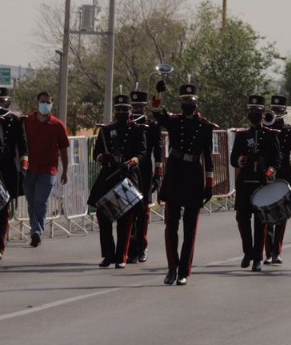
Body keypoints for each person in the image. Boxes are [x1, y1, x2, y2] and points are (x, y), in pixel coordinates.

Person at [153, 83, 216, 286]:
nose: (187, 103)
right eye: (184, 100)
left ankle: (183, 271)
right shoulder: (174, 121)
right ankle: (172, 268)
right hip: (175, 174)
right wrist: (159, 92)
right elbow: (156, 112)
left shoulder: (205, 127)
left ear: (196, 102)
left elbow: (208, 156)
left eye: (191, 100)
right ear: (180, 102)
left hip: (193, 176)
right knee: (171, 226)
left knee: (190, 229)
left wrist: (209, 183)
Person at [90, 94, 145, 268]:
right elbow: (95, 153)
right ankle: (108, 255)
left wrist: (132, 162)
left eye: (125, 109)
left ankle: (121, 255)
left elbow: (142, 153)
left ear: (130, 111)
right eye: (118, 109)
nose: (121, 112)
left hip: (127, 175)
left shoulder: (137, 130)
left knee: (125, 218)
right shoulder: (106, 131)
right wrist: (102, 157)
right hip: (108, 176)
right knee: (103, 215)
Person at [230, 94, 276, 272]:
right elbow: (234, 159)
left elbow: (276, 161)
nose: (254, 114)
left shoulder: (271, 136)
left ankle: (257, 257)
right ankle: (247, 252)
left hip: (261, 184)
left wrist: (270, 172)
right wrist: (243, 159)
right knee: (242, 219)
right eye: (251, 111)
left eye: (257, 111)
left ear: (263, 113)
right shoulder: (242, 136)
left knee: (260, 222)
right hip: (245, 184)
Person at [21, 91, 70, 248]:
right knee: (31, 202)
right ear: (37, 103)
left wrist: (65, 171)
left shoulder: (57, 125)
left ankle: (37, 231)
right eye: (42, 101)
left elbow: (63, 150)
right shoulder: (27, 121)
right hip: (29, 169)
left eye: (48, 102)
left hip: (48, 170)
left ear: (52, 103)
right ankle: (35, 229)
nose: (45, 104)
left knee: (40, 201)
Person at [0, 87, 27, 261]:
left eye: (2, 101)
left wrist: (24, 167)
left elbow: (23, 146)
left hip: (8, 166)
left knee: (4, 208)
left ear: (8, 102)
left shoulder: (15, 120)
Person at [264, 94, 291, 265]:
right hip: (268, 174)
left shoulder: (289, 131)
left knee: (282, 215)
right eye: (274, 109)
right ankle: (267, 252)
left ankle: (276, 251)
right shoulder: (265, 129)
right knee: (266, 214)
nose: (276, 112)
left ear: (284, 112)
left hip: (284, 174)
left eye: (279, 110)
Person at [124, 90, 161, 264]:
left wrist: (158, 175)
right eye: (135, 106)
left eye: (140, 106)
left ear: (145, 108)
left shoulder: (152, 126)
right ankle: (130, 249)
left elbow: (158, 152)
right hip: (129, 172)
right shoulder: (127, 124)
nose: (137, 109)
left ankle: (142, 246)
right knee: (130, 211)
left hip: (145, 173)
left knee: (143, 212)